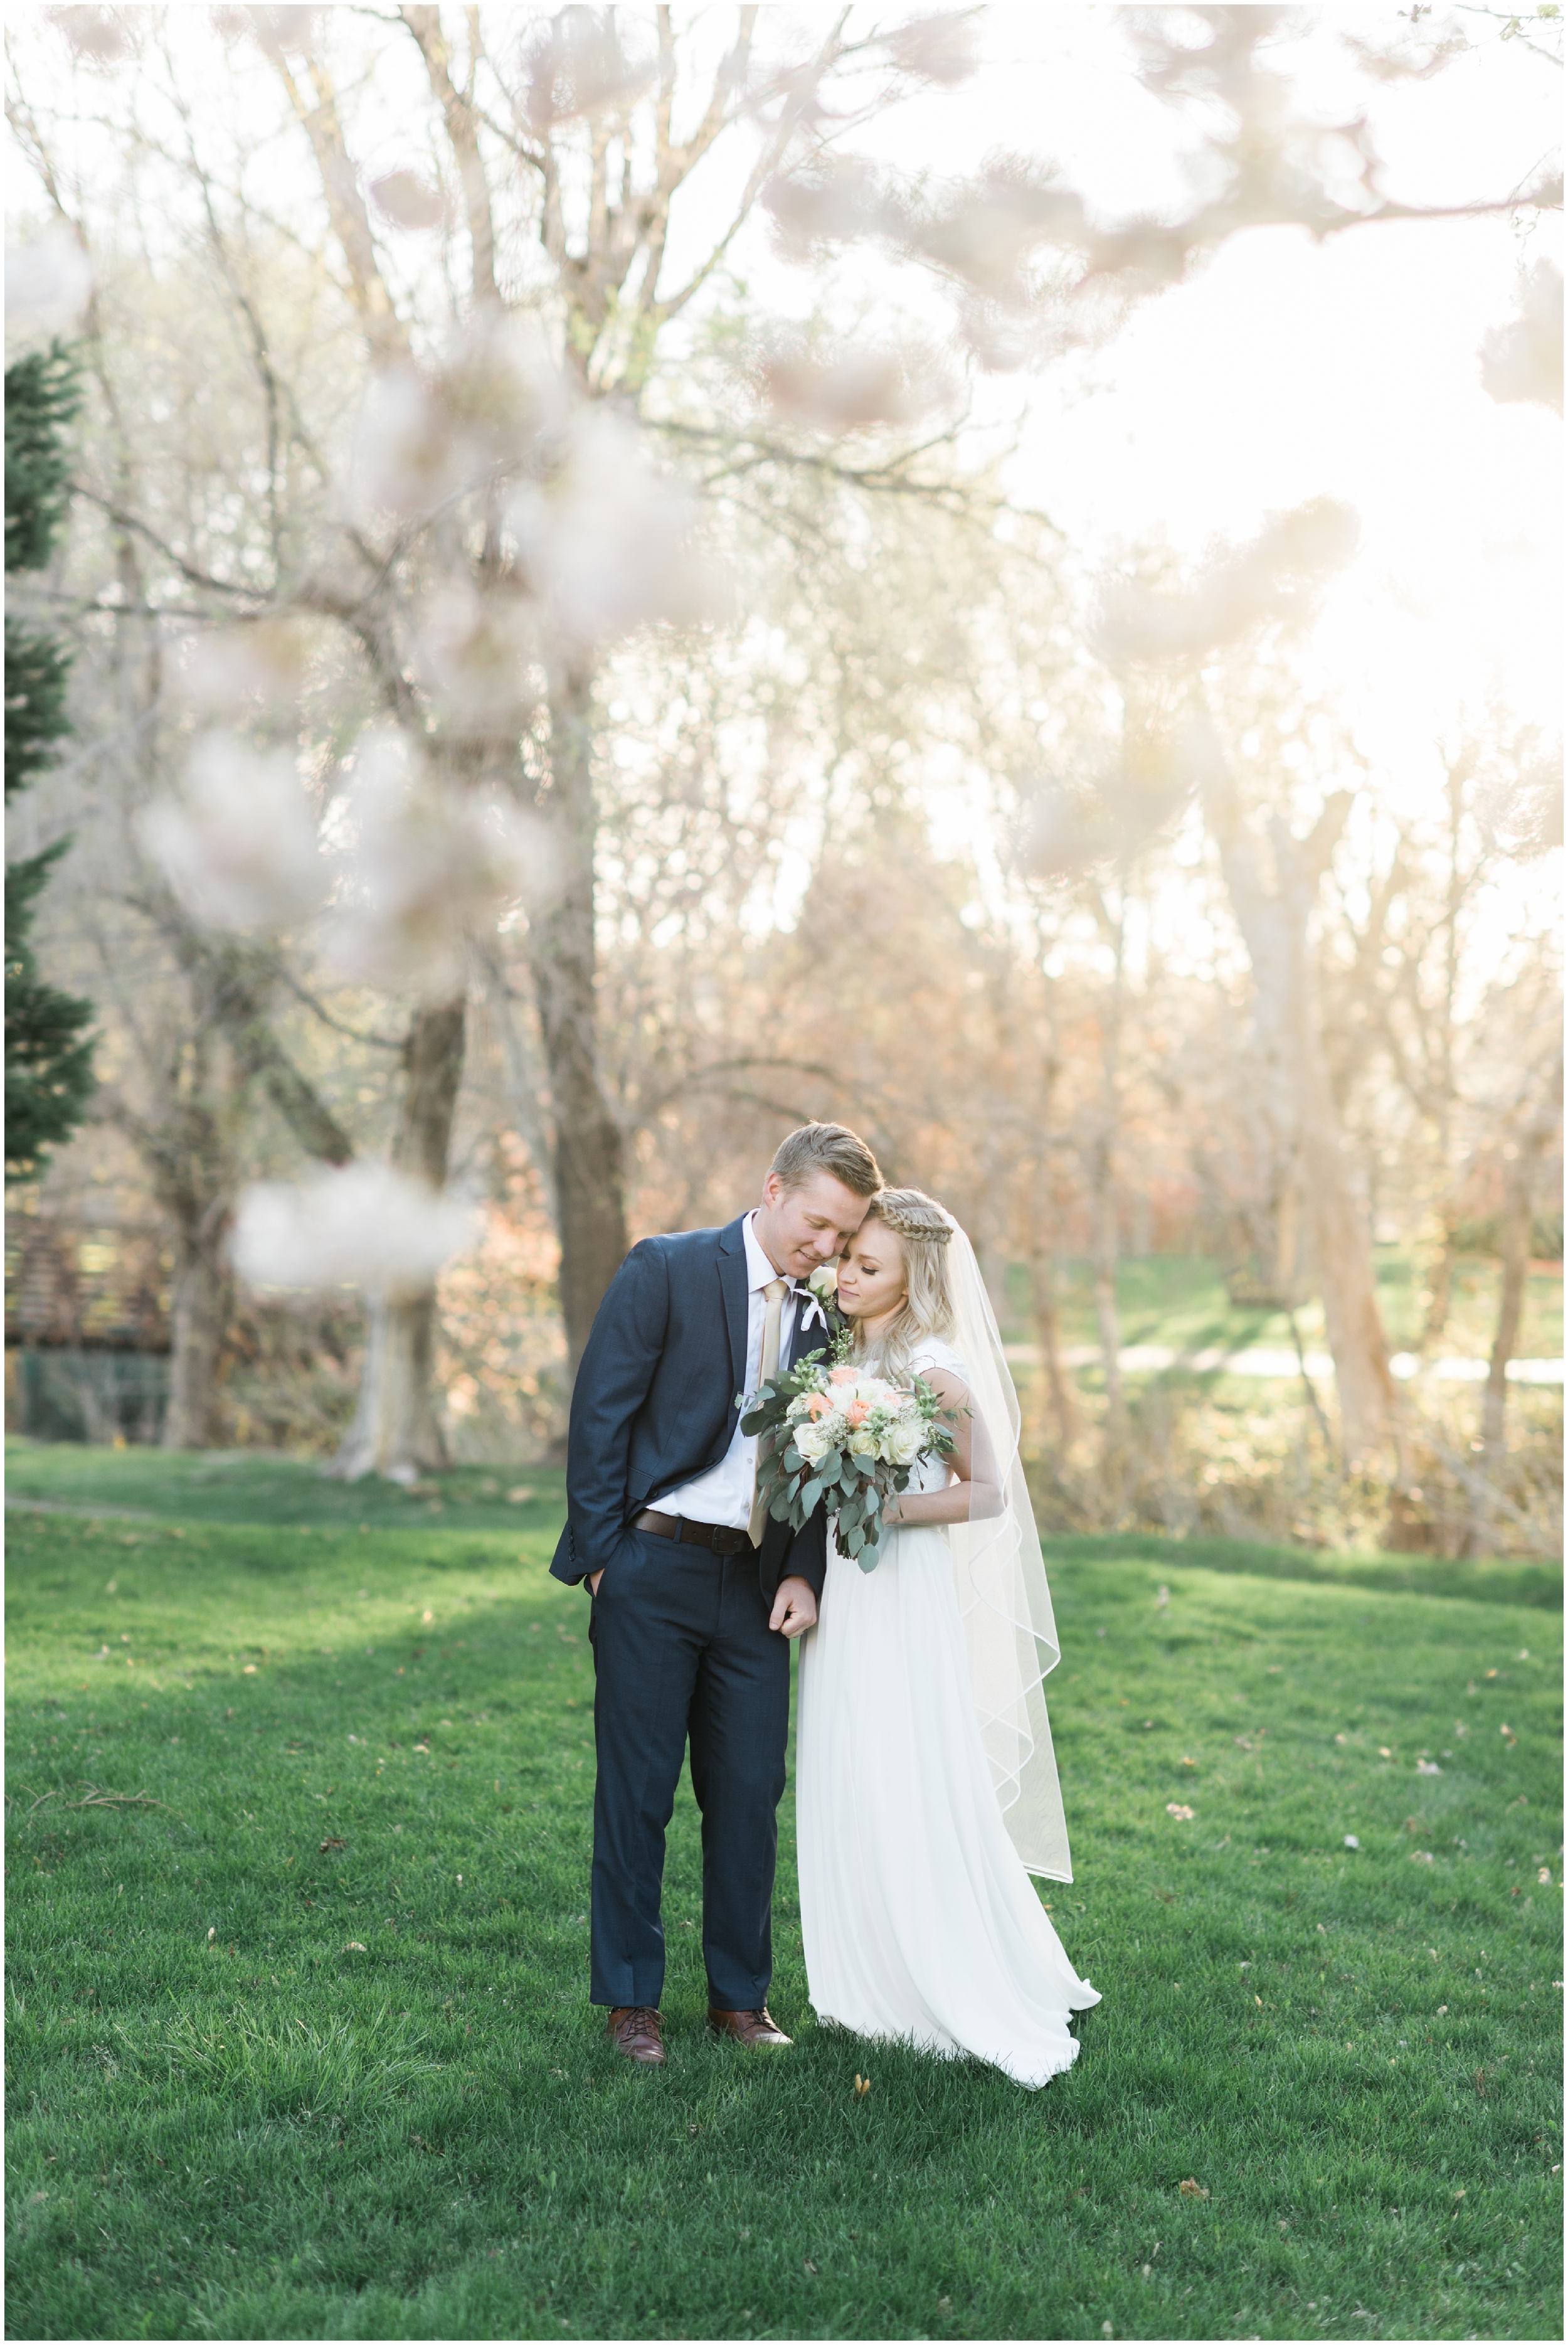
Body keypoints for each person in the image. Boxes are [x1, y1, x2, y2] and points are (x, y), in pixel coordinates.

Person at [552, 1120, 883, 2066]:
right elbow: (599, 1418)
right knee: (638, 1793)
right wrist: (604, 1557)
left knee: (747, 1794)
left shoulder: (829, 1320)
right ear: (774, 1190)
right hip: (650, 1568)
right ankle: (631, 2002)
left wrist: (802, 1569)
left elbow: (831, 1459)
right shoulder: (665, 1268)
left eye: (843, 1235)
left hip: (755, 1587)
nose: (826, 1247)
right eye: (818, 1223)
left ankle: (740, 2000)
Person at [796, 1187, 1100, 2088]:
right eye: (847, 1256)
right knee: (849, 1757)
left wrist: (890, 1503)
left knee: (901, 1761)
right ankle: (863, 1967)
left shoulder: (932, 1367)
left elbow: (988, 1491)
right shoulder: (855, 1351)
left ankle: (931, 1971)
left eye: (867, 1264)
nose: (846, 1273)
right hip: (854, 1585)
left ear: (912, 1276)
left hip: (901, 1585)